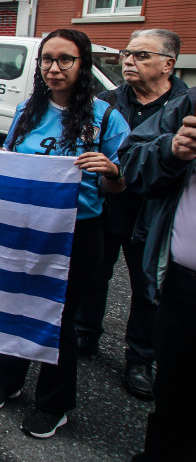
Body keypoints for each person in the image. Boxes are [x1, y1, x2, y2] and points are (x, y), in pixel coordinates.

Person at [0, 28, 129, 439]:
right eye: (47, 60)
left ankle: (54, 404)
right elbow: (14, 162)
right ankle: (9, 378)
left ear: (83, 64)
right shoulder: (27, 109)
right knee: (14, 302)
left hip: (78, 232)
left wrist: (111, 171)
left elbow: (122, 183)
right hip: (26, 226)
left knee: (58, 315)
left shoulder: (106, 117)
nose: (54, 69)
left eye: (65, 60)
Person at [75, 29, 189, 400]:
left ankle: (140, 359)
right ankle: (85, 334)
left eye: (141, 55)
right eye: (127, 54)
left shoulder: (184, 105)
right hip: (107, 205)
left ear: (168, 64)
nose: (128, 61)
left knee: (146, 287)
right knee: (95, 274)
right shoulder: (106, 101)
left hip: (154, 212)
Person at [121, 87, 196, 462]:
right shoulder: (190, 105)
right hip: (184, 282)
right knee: (175, 394)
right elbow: (131, 159)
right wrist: (172, 151)